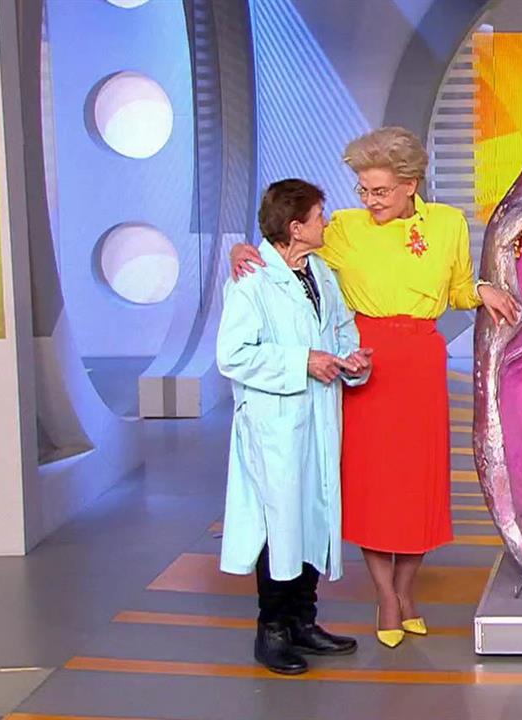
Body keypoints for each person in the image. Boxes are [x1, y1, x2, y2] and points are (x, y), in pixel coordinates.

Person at [230, 127, 520, 649]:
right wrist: (240, 249)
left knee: (419, 483)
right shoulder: (341, 229)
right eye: (363, 189)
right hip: (366, 361)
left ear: (411, 185)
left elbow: (456, 288)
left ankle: (407, 593)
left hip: (421, 361)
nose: (370, 200)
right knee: (373, 485)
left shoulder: (448, 224)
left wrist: (482, 289)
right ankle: (385, 596)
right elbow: (283, 245)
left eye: (380, 190)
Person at [216, 179, 373, 675]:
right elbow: (232, 355)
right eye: (319, 215)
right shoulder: (252, 279)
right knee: (279, 524)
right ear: (296, 226)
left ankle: (304, 622)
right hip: (275, 424)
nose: (326, 222)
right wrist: (303, 361)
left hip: (317, 417)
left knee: (311, 515)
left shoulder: (320, 273)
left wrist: (351, 360)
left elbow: (341, 329)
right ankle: (273, 632)